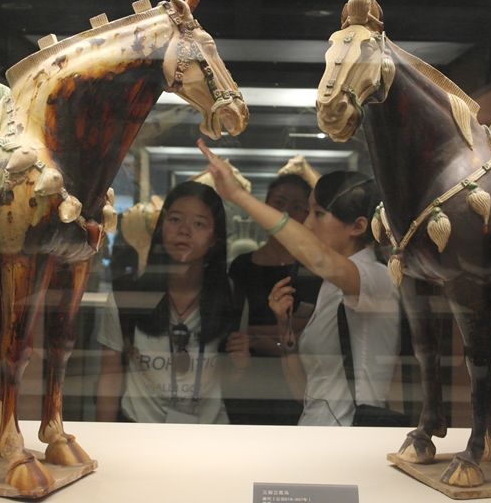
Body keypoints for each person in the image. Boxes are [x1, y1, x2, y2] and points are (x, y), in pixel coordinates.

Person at [198, 139, 400, 427]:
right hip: (314, 433)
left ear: (357, 227)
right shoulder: (331, 286)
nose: (307, 224)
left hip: (348, 442)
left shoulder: (375, 278)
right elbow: (301, 392)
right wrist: (285, 328)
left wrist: (239, 196)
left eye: (317, 214)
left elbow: (318, 258)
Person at [96, 181, 249, 423]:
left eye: (199, 223)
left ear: (214, 239)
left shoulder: (230, 296)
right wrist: (105, 437)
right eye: (175, 219)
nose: (185, 230)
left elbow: (228, 379)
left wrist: (240, 366)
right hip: (141, 433)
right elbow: (110, 375)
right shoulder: (127, 295)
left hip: (210, 434)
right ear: (161, 228)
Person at [227, 173, 322, 424]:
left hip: (303, 383)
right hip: (248, 381)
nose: (285, 213)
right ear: (264, 207)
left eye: (298, 207)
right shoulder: (241, 266)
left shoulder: (318, 270)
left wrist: (268, 342)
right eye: (278, 203)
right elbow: (232, 330)